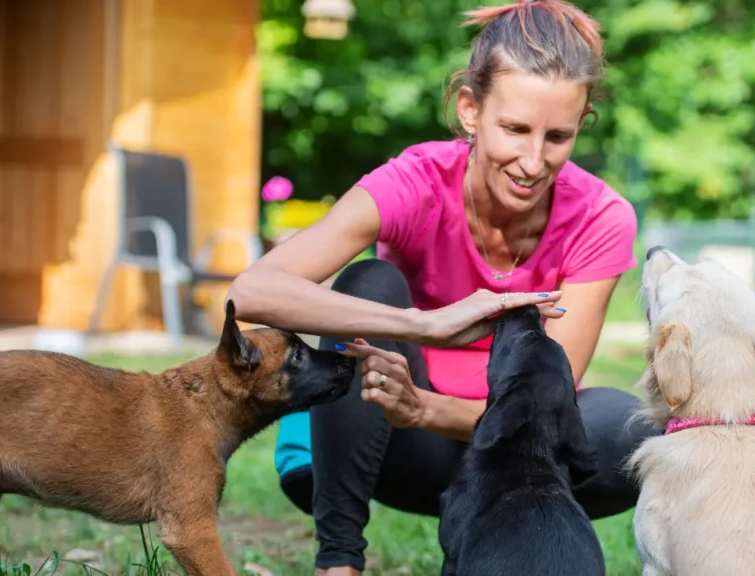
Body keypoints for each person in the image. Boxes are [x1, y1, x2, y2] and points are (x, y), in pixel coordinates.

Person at [226, 1, 662, 574]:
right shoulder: (415, 183)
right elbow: (252, 292)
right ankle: (338, 563)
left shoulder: (602, 216)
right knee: (369, 283)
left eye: (558, 136)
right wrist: (423, 324)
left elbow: (547, 405)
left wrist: (424, 408)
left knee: (638, 433)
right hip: (389, 447)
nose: (533, 161)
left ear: (582, 126)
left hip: (507, 457)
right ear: (470, 110)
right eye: (514, 129)